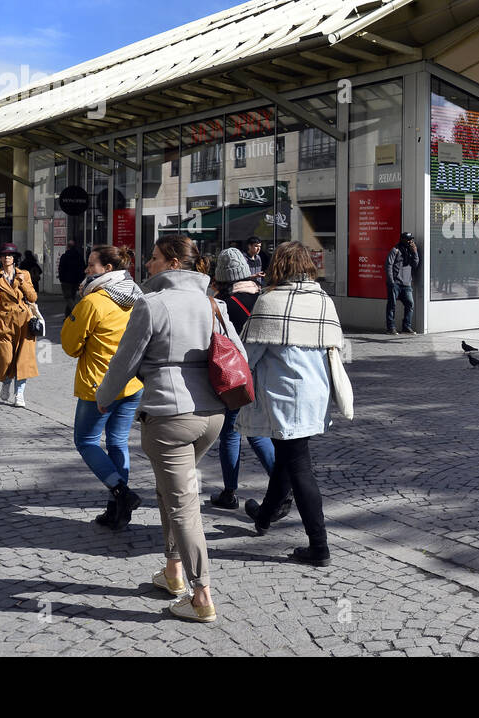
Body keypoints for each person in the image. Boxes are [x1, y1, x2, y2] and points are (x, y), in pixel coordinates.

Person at [96, 235, 244, 623]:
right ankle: (173, 572)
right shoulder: (214, 303)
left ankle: (201, 595)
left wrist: (104, 396)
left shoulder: (152, 304)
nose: (148, 264)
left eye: (155, 258)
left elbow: (125, 359)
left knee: (183, 504)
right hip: (212, 416)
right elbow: (239, 356)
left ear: (174, 262)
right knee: (170, 490)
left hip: (169, 418)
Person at [238, 241, 346, 566]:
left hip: (285, 397)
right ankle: (265, 515)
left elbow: (249, 356)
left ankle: (319, 545)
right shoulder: (324, 301)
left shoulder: (270, 301)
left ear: (278, 267)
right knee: (288, 457)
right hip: (316, 394)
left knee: (298, 465)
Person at [61, 245, 145, 530]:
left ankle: (121, 493)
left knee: (85, 441)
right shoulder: (138, 296)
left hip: (99, 385)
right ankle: (117, 509)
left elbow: (70, 346)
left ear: (108, 269)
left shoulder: (93, 302)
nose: (86, 270)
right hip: (133, 383)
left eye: (91, 265)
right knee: (118, 442)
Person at [207, 247, 275, 510]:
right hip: (262, 374)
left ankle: (229, 492)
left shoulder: (224, 305)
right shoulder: (263, 299)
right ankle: (282, 482)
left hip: (235, 376)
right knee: (258, 433)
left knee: (231, 434)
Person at [0, 242, 39, 408]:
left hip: (24, 323)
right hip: (3, 322)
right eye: (4, 255)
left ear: (15, 258)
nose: (7, 258)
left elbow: (33, 297)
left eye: (10, 255)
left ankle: (20, 394)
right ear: (0, 258)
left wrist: (23, 283)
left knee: (23, 361)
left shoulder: (25, 274)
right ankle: (6, 382)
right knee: (5, 359)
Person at [385, 231, 420, 335]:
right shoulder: (395, 250)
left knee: (410, 304)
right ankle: (391, 328)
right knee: (392, 305)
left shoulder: (410, 250)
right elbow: (388, 265)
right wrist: (391, 280)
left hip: (406, 283)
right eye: (408, 240)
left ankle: (406, 327)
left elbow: (415, 264)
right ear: (403, 240)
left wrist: (415, 252)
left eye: (411, 240)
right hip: (395, 282)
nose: (410, 242)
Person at [58, 239, 86, 317]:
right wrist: (81, 278)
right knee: (71, 297)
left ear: (68, 247)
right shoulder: (79, 256)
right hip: (76, 280)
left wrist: (61, 278)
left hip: (66, 280)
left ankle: (76, 311)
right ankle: (68, 315)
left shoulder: (65, 256)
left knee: (68, 297)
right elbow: (83, 267)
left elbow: (61, 268)